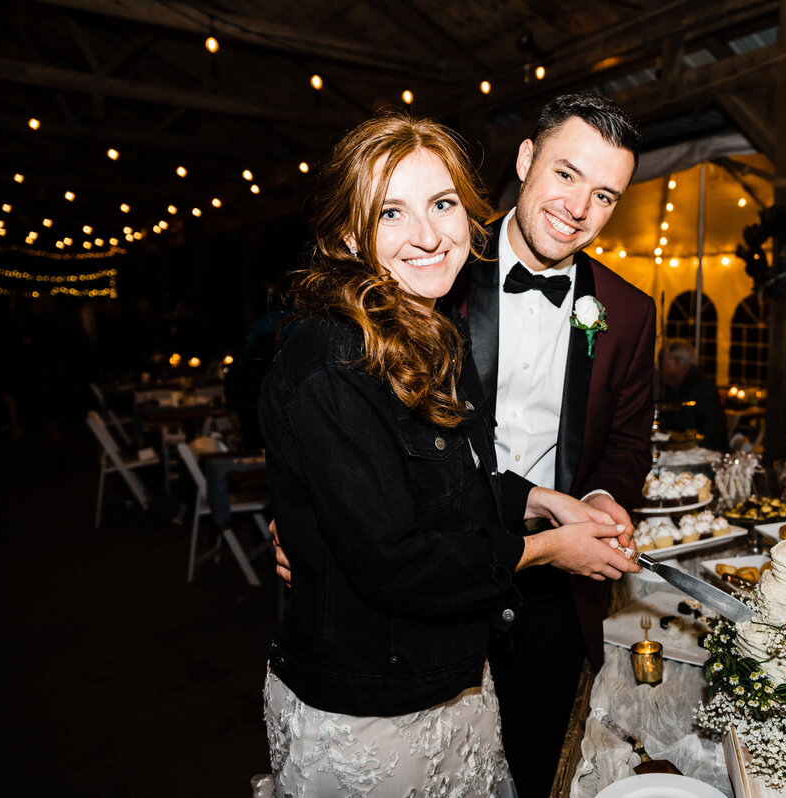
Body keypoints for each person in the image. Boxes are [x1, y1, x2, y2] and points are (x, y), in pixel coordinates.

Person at [257, 112, 639, 796]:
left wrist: (539, 500)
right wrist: (304, 516)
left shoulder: (425, 326)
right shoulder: (380, 323)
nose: (429, 234)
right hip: (378, 679)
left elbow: (451, 471)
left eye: (440, 205)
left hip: (469, 663)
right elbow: (387, 545)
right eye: (391, 213)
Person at [454, 92, 656, 796]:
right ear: (525, 159)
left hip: (550, 588)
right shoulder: (437, 271)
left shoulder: (628, 313)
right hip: (438, 565)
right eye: (566, 175)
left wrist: (602, 497)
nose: (578, 208)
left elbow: (629, 440)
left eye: (604, 194)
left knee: (533, 769)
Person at [660, 339, 728, 450]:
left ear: (678, 363)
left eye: (663, 361)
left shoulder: (702, 388)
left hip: (702, 454)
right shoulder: (667, 388)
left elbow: (712, 432)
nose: (660, 366)